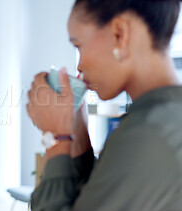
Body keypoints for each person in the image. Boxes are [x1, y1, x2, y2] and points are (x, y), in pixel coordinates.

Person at [26, 0, 182, 210]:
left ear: (120, 34)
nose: (79, 66)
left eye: (78, 45)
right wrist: (79, 139)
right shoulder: (163, 118)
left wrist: (57, 137)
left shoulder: (150, 132)